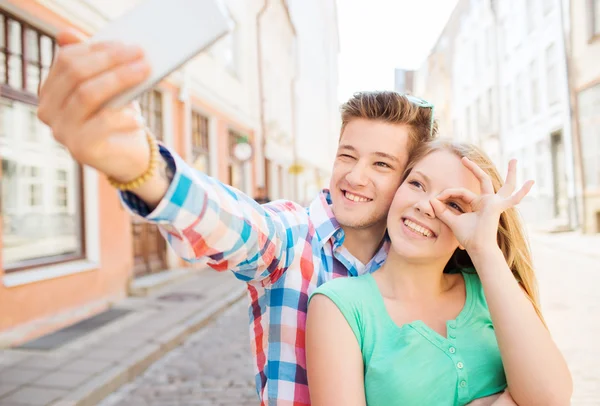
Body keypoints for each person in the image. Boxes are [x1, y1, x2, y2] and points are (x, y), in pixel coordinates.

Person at [36, 31, 438, 405]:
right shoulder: (291, 236)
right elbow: (236, 224)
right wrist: (142, 167)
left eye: (381, 164)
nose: (354, 175)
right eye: (347, 155)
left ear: (407, 179)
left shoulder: (421, 258)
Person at [306, 140, 573, 406]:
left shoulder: (494, 289)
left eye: (454, 205)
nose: (425, 205)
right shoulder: (339, 306)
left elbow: (550, 399)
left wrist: (483, 248)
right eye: (417, 184)